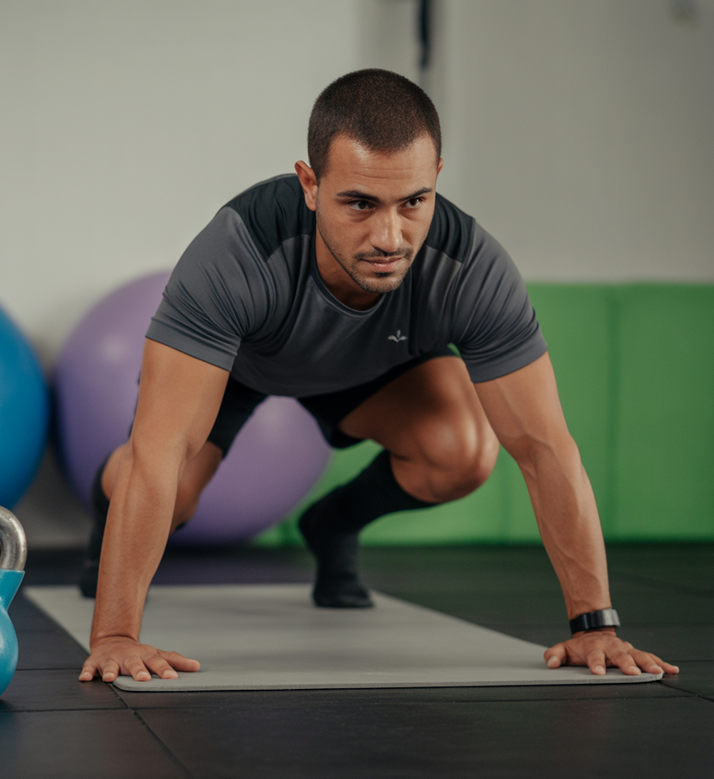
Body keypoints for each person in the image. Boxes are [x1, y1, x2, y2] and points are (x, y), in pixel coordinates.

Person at [77, 69, 679, 684]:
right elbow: (160, 447)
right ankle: (107, 517)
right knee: (167, 487)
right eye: (360, 203)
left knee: (463, 453)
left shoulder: (471, 268)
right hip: (241, 364)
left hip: (373, 369)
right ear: (310, 185)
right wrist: (116, 635)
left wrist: (595, 627)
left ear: (437, 178)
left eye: (412, 202)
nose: (390, 236)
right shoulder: (239, 250)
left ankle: (332, 523)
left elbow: (546, 448)